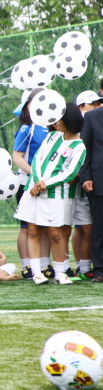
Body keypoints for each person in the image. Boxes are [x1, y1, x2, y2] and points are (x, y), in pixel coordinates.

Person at [15, 103, 86, 285]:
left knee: (56, 234)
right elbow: (37, 158)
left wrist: (45, 184)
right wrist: (37, 180)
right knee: (33, 230)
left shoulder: (79, 146)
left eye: (59, 119)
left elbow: (69, 173)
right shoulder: (52, 136)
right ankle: (37, 272)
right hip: (33, 190)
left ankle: (60, 272)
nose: (55, 123)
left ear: (68, 120)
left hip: (54, 195)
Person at [12, 89, 50, 278]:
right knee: (27, 226)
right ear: (29, 105)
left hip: (48, 184)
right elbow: (17, 157)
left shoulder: (54, 128)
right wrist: (34, 175)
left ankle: (45, 264)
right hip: (27, 183)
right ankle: (27, 265)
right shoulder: (27, 128)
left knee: (45, 225)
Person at [77, 87, 103, 282]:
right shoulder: (92, 117)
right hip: (98, 180)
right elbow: (83, 149)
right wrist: (86, 176)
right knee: (99, 227)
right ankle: (100, 269)